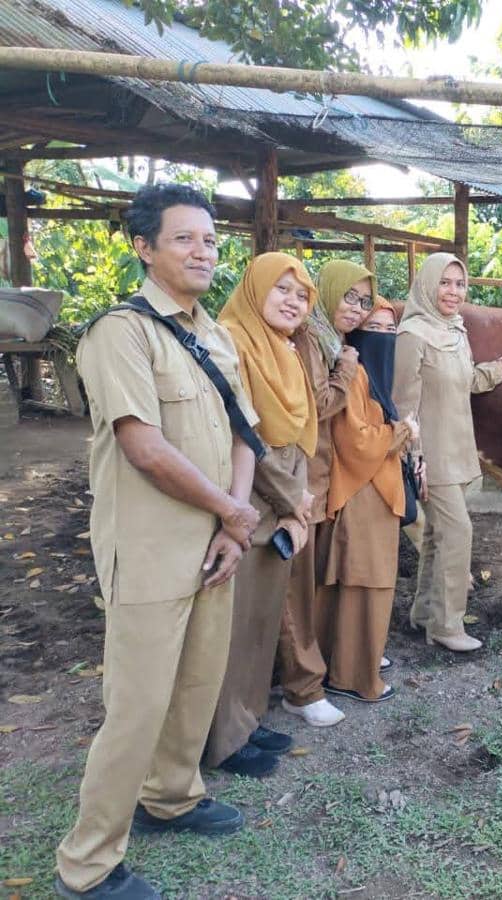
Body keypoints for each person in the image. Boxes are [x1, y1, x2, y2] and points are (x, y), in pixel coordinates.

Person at [55, 184, 260, 900]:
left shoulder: (215, 335)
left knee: (197, 683)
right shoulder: (120, 333)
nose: (204, 252)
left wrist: (232, 520)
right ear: (144, 248)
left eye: (210, 240)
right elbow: (143, 447)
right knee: (137, 706)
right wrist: (231, 512)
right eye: (184, 239)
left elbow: (245, 433)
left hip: (214, 542)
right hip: (148, 550)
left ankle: (171, 796)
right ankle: (87, 864)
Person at [203, 253, 318, 778]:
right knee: (233, 623)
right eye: (282, 289)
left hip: (283, 499)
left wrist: (299, 496)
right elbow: (247, 435)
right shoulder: (232, 340)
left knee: (261, 621)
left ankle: (246, 720)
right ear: (255, 289)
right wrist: (295, 499)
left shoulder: (284, 348)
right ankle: (221, 737)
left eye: (302, 294)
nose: (293, 302)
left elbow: (299, 431)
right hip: (246, 496)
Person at [394, 253, 502, 652]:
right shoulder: (412, 335)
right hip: (432, 459)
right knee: (458, 534)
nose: (453, 292)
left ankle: (424, 614)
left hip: (458, 452)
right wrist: (415, 459)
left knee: (436, 537)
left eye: (460, 284)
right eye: (444, 282)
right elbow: (403, 407)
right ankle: (447, 626)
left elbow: (468, 381)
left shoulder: (455, 330)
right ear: (428, 284)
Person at [315, 260, 416, 702]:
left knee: (366, 584)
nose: (383, 337)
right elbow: (355, 441)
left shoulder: (366, 371)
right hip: (360, 491)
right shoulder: (351, 371)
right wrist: (402, 432)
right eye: (374, 327)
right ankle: (354, 677)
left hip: (375, 489)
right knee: (364, 583)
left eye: (391, 330)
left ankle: (357, 660)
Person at [275, 267, 360, 728]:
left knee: (304, 584)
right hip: (296, 478)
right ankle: (302, 688)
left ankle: (302, 674)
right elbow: (321, 405)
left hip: (316, 475)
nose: (356, 309)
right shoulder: (312, 339)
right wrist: (347, 366)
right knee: (293, 586)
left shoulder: (326, 339)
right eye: (348, 297)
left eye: (363, 301)